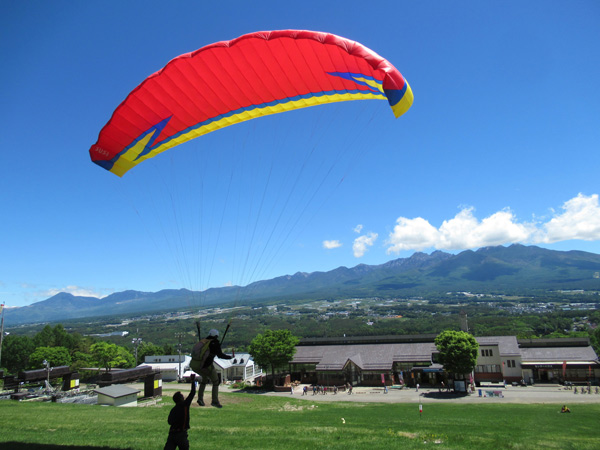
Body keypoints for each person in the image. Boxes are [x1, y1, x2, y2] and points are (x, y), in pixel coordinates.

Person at [191, 329, 233, 408]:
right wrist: (230, 357)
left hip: (194, 365)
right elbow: (220, 355)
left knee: (204, 379)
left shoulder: (203, 341)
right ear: (216, 336)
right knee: (216, 381)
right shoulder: (215, 343)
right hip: (206, 365)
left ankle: (200, 398)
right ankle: (215, 401)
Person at [164, 374, 196, 450]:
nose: (183, 397)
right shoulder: (185, 405)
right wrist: (193, 381)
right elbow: (192, 393)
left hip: (172, 434)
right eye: (182, 396)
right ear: (180, 399)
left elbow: (169, 422)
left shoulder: (173, 409)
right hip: (181, 434)